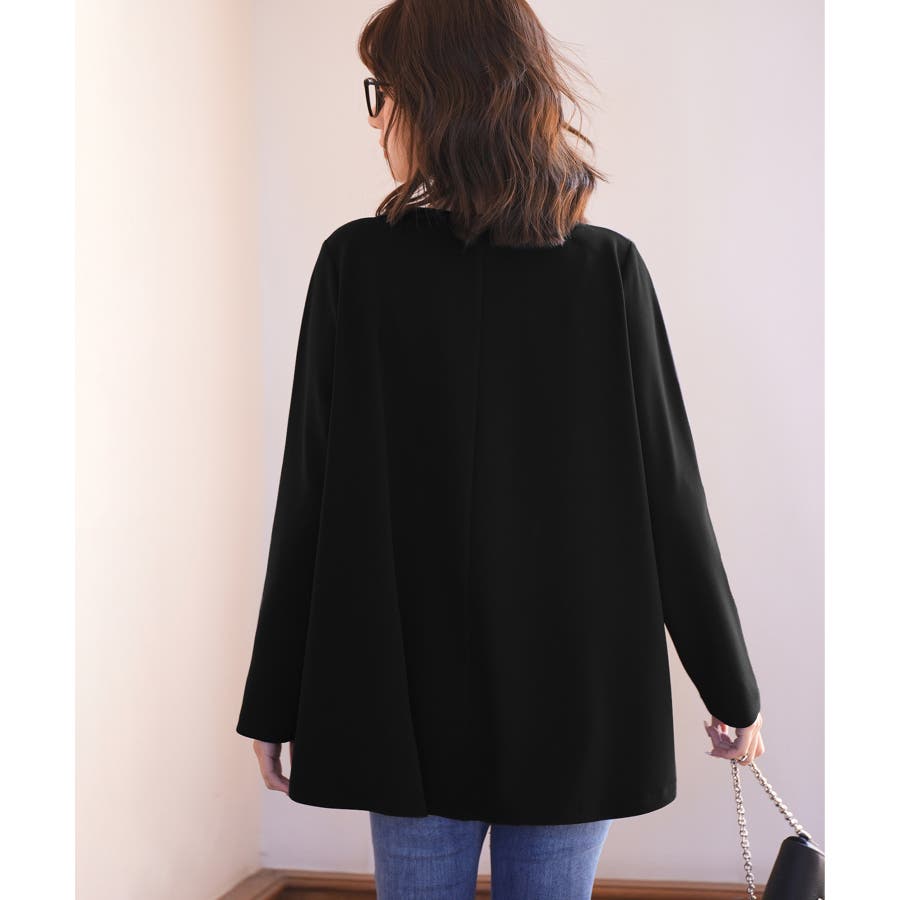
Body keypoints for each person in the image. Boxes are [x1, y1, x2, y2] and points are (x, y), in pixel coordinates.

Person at [236, 1, 765, 897]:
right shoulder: (605, 272)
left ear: (434, 99)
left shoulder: (357, 267)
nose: (375, 118)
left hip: (406, 692)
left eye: (382, 91)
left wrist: (275, 695)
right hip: (572, 685)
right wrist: (732, 688)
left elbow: (309, 494)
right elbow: (672, 496)